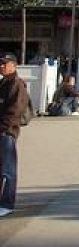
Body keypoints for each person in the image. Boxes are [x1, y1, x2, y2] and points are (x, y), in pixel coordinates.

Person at [0, 52, 30, 217]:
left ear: (14, 65)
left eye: (5, 63)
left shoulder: (17, 84)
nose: (2, 66)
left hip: (7, 133)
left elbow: (15, 111)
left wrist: (4, 128)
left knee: (8, 171)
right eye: (0, 63)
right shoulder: (4, 83)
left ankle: (7, 204)